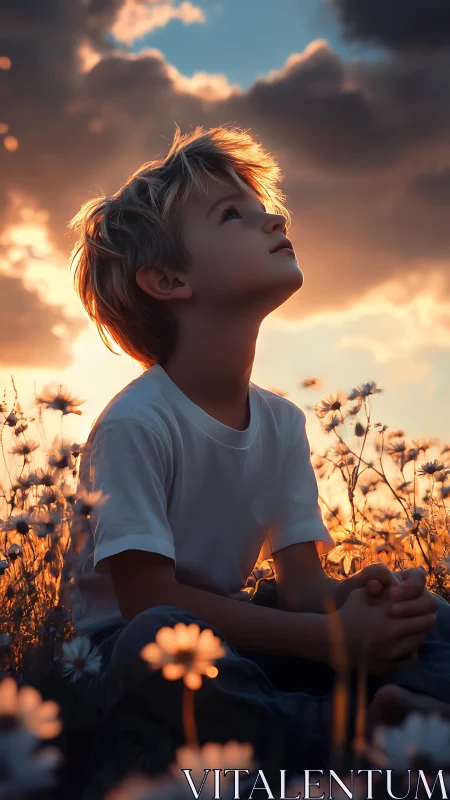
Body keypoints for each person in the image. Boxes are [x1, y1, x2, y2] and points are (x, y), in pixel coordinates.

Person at [66, 124, 450, 788]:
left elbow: (301, 590)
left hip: (247, 638)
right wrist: (335, 642)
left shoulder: (280, 421)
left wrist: (360, 602)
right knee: (156, 644)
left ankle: (375, 720)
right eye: (233, 215)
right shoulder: (135, 423)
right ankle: (361, 732)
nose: (272, 217)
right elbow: (145, 599)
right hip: (132, 654)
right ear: (169, 279)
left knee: (430, 612)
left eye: (261, 205)